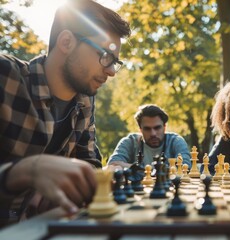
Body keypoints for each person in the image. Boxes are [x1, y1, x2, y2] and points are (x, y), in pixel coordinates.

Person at [0, 0, 130, 226]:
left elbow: (89, 163)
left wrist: (77, 183)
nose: (111, 72)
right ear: (67, 42)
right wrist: (24, 172)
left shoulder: (85, 98)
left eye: (115, 62)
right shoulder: (5, 76)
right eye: (105, 56)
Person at [107, 104, 191, 170]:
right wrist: (148, 170)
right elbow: (113, 164)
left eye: (157, 128)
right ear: (140, 129)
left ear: (164, 127)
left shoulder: (176, 141)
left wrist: (137, 170)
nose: (153, 133)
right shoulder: (130, 142)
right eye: (147, 129)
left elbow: (185, 167)